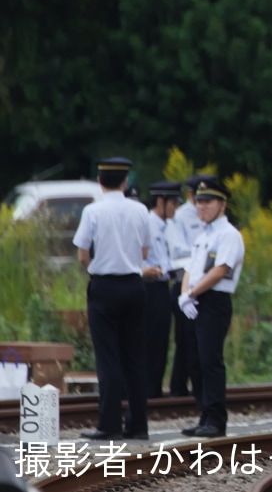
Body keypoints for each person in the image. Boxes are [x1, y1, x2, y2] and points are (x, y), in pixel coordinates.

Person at [72, 157, 152, 440]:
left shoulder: (92, 211)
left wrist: (96, 266)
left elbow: (82, 253)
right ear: (125, 181)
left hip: (104, 287)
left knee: (108, 357)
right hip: (134, 285)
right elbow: (144, 252)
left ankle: (109, 424)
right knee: (134, 356)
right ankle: (138, 425)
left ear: (99, 181)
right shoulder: (141, 210)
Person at [177, 179, 245, 438]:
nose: (202, 207)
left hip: (213, 300)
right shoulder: (203, 235)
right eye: (199, 202)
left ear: (222, 204)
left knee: (210, 360)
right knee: (194, 361)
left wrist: (192, 293)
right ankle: (204, 412)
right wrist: (185, 295)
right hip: (194, 301)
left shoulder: (229, 235)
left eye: (208, 202)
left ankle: (216, 418)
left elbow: (219, 271)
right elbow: (189, 269)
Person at [168, 174, 208, 398]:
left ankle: (197, 388)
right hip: (184, 283)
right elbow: (178, 251)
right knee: (184, 340)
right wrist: (200, 254)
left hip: (205, 286)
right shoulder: (180, 217)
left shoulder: (212, 218)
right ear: (191, 194)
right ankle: (178, 388)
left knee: (199, 340)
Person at [143, 181, 181, 399]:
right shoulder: (148, 224)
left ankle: (154, 388)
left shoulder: (167, 226)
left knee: (161, 340)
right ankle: (148, 389)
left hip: (164, 284)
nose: (175, 208)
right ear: (161, 201)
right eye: (173, 203)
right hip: (150, 284)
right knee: (151, 338)